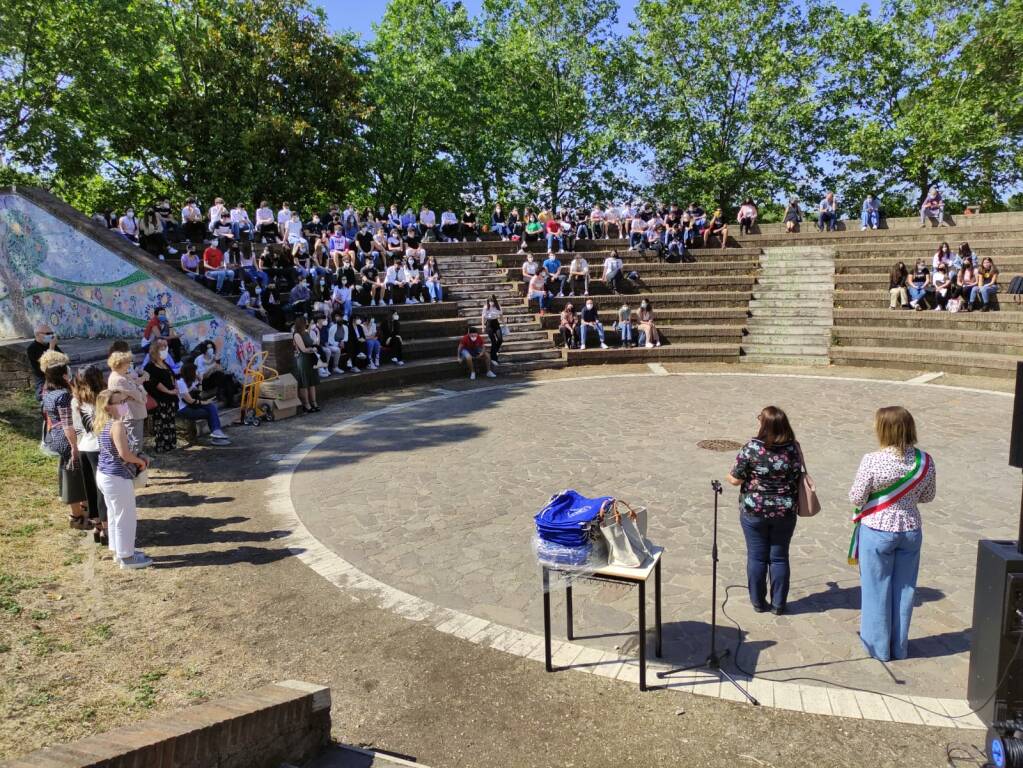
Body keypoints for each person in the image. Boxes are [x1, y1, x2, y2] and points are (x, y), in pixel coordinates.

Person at [849, 406, 935, 661]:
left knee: (876, 589)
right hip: (910, 529)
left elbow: (856, 497)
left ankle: (878, 648)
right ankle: (899, 646)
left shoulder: (872, 460)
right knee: (905, 590)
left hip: (877, 530)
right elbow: (928, 496)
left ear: (883, 429)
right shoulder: (925, 461)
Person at [727, 406, 803, 614]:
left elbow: (735, 479)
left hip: (755, 510)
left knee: (757, 557)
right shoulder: (793, 448)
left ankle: (758, 603)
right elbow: (798, 474)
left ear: (764, 424)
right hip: (784, 511)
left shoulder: (752, 448)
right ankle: (779, 604)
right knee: (779, 557)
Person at [92, 389, 151, 568]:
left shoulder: (102, 423)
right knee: (126, 516)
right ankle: (127, 557)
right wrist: (140, 462)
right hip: (116, 477)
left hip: (105, 474)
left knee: (115, 514)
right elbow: (124, 454)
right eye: (119, 402)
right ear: (108, 407)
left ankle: (119, 551)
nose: (123, 405)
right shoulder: (117, 425)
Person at [40, 351, 89, 528]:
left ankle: (82, 509)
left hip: (56, 438)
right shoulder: (63, 396)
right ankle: (77, 516)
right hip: (67, 439)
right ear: (63, 375)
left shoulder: (48, 394)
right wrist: (74, 446)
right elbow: (68, 425)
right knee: (73, 477)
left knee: (70, 473)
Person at [71, 366, 107, 543]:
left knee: (90, 489)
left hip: (84, 445)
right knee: (103, 489)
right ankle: (106, 529)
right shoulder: (104, 397)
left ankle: (97, 526)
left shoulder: (76, 399)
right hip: (101, 446)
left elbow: (77, 426)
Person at [176, 364, 232, 441]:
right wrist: (205, 402)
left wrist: (200, 382)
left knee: (211, 407)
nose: (197, 373)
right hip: (182, 409)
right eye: (195, 372)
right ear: (190, 373)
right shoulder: (180, 383)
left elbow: (200, 393)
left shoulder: (190, 382)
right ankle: (216, 432)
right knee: (209, 412)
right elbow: (190, 400)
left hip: (190, 406)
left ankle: (216, 432)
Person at [144, 338, 179, 453]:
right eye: (162, 347)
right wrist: (169, 391)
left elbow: (173, 376)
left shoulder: (165, 364)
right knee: (162, 425)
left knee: (171, 424)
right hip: (161, 400)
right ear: (155, 350)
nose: (165, 349)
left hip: (171, 399)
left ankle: (171, 445)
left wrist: (176, 388)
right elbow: (154, 383)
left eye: (166, 347)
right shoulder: (150, 367)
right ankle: (162, 447)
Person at [107, 350, 148, 447]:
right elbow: (138, 395)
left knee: (135, 439)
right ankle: (134, 461)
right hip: (130, 412)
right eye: (127, 363)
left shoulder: (123, 376)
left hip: (131, 410)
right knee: (134, 441)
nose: (129, 365)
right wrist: (138, 391)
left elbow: (137, 391)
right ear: (120, 364)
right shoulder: (119, 379)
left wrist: (137, 391)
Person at [292, 317, 320, 413]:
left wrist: (317, 335)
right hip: (303, 360)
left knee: (312, 382)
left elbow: (314, 343)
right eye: (306, 322)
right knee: (304, 383)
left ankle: (314, 402)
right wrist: (313, 349)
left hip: (310, 359)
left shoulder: (306, 333)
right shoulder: (297, 335)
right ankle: (306, 404)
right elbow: (303, 349)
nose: (307, 323)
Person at [26, 324, 62, 398]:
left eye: (52, 333)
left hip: (57, 375)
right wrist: (51, 347)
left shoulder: (49, 344)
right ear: (38, 334)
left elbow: (63, 358)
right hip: (43, 377)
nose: (51, 336)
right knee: (43, 397)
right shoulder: (32, 348)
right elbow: (46, 365)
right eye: (48, 334)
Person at [481, 295, 504, 364]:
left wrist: (505, 324)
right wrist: (482, 327)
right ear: (488, 301)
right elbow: (483, 317)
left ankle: (493, 352)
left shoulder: (498, 306)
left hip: (496, 323)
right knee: (493, 341)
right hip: (489, 324)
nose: (492, 303)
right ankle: (494, 358)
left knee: (500, 339)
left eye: (493, 301)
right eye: (490, 301)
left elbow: (501, 316)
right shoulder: (486, 307)